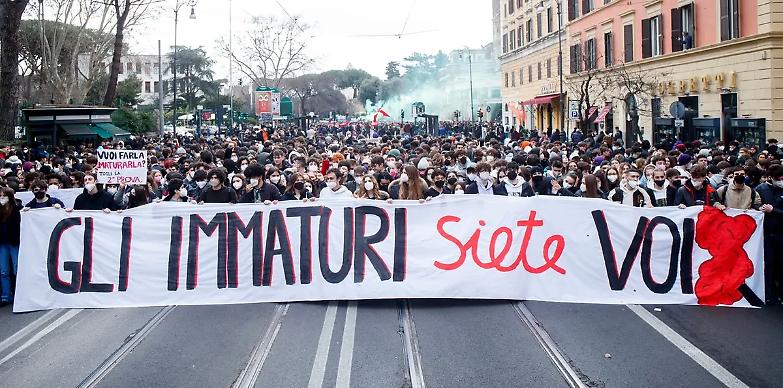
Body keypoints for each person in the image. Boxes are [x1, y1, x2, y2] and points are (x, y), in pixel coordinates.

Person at [756, 165, 783, 304]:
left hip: (780, 233)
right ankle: (767, 293)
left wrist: (774, 211)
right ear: (771, 178)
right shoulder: (761, 189)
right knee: (768, 263)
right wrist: (758, 209)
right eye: (779, 178)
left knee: (780, 263)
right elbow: (753, 205)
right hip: (765, 233)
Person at [0, 187, 20, 305]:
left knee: (17, 269)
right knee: (3, 271)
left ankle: (19, 293)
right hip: (2, 243)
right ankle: (6, 296)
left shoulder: (16, 209)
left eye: (4, 196)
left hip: (14, 242)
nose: (2, 198)